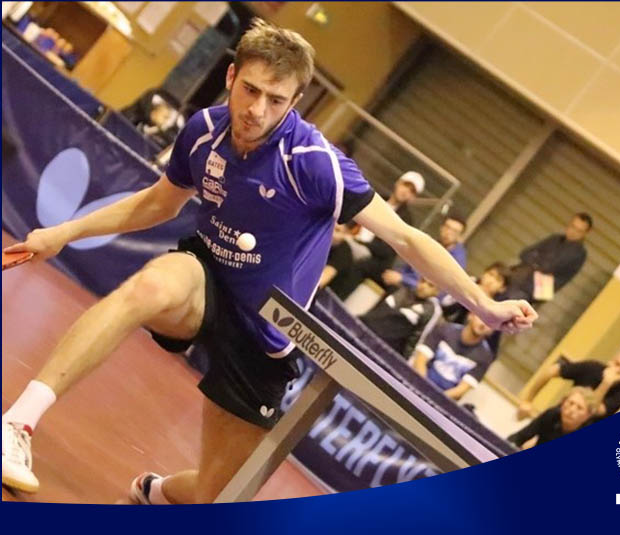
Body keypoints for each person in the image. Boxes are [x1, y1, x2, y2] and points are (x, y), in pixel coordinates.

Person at [1, 19, 537, 503]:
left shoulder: (315, 164)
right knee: (149, 288)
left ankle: (154, 492)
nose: (257, 109)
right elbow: (157, 203)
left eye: (276, 99)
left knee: (217, 495)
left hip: (268, 330)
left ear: (295, 101)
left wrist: (483, 305)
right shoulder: (204, 131)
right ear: (231, 76)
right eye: (251, 90)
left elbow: (408, 239)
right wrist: (64, 232)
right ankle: (18, 424)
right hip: (205, 277)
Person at [329, 171, 423, 298]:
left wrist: (354, 240)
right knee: (329, 235)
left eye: (411, 191)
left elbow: (386, 250)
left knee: (345, 248)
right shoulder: (377, 198)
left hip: (374, 256)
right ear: (398, 183)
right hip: (352, 239)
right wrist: (344, 228)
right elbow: (355, 215)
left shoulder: (406, 220)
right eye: (405, 185)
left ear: (413, 198)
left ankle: (325, 287)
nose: (406, 191)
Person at [517, 350, 620, 421]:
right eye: (617, 364)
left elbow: (593, 410)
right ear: (611, 361)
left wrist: (606, 383)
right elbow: (552, 371)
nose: (617, 370)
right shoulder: (592, 367)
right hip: (558, 416)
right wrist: (528, 400)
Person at [506, 213, 592, 302]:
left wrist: (536, 260)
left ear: (585, 233)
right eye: (572, 226)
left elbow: (549, 267)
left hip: (531, 290)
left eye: (579, 231)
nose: (573, 232)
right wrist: (536, 263)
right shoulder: (555, 239)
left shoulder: (578, 254)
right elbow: (526, 253)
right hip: (518, 277)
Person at [410, 312, 495, 402]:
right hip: (420, 382)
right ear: (470, 315)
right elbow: (420, 361)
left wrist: (435, 398)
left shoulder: (485, 357)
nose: (484, 324)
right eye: (482, 318)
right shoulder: (444, 329)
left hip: (441, 399)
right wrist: (423, 388)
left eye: (490, 324)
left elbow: (461, 390)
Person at [382, 209, 467, 293]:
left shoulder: (458, 260)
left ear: (460, 236)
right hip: (403, 286)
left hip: (422, 294)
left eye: (454, 231)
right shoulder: (433, 243)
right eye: (447, 227)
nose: (448, 232)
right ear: (441, 227)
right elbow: (408, 261)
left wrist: (403, 279)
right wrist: (397, 274)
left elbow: (438, 290)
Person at [361, 277, 441, 358]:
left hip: (386, 348)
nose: (423, 286)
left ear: (436, 292)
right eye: (422, 281)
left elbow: (416, 336)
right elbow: (376, 311)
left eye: (430, 285)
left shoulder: (430, 310)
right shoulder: (401, 290)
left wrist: (405, 358)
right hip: (366, 330)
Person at [508, 387, 595, 449]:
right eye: (570, 403)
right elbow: (520, 437)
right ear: (563, 403)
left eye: (579, 408)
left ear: (587, 416)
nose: (571, 410)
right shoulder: (551, 415)